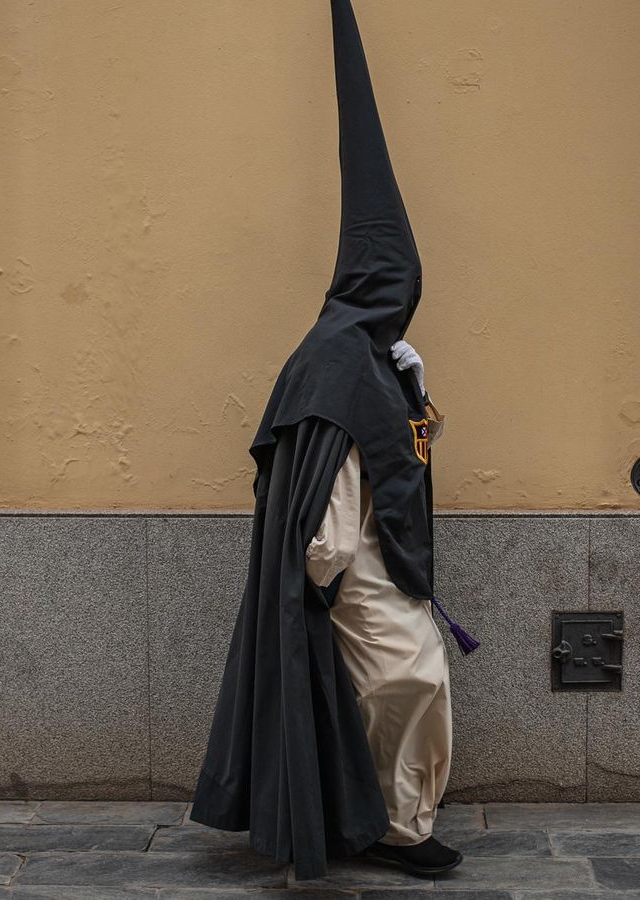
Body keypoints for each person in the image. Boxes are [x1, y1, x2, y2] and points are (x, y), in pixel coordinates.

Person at [188, 0, 476, 880]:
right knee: (411, 679)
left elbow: (398, 450)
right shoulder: (335, 360)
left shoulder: (371, 357)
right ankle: (396, 827)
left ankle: (390, 818)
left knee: (409, 683)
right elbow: (327, 474)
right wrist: (330, 570)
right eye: (400, 286)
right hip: (354, 566)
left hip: (381, 562)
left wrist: (417, 391)